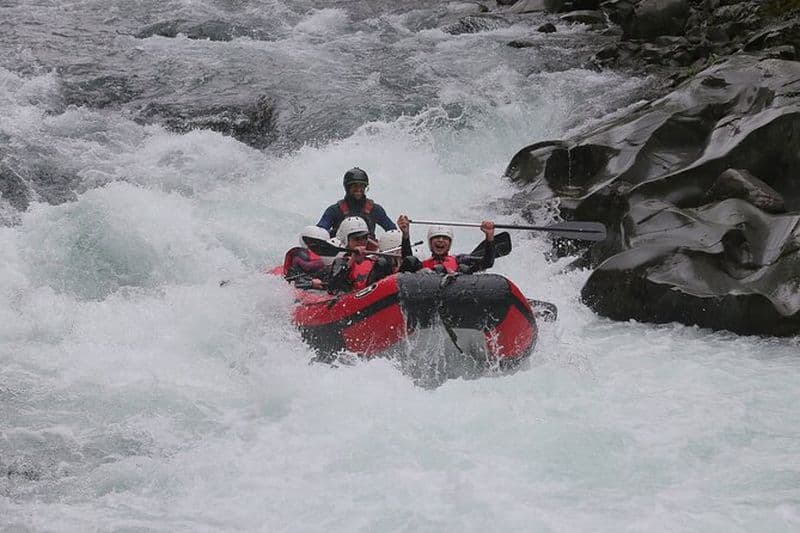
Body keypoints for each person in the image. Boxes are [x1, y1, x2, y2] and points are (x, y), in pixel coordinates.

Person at [397, 214, 495, 274]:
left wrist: (489, 237)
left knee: (463, 268)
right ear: (430, 243)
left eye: (444, 238)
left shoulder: (460, 260)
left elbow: (487, 263)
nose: (440, 240)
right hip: (427, 296)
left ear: (450, 243)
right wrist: (406, 234)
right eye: (436, 237)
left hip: (456, 296)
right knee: (411, 260)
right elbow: (407, 260)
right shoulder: (423, 265)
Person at [316, 167, 397, 238]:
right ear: (347, 187)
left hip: (368, 253)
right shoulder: (334, 210)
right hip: (341, 252)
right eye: (355, 186)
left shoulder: (375, 210)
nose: (359, 189)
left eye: (362, 186)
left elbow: (392, 231)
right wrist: (334, 233)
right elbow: (320, 232)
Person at [326, 217, 394, 293]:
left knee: (383, 262)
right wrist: (352, 259)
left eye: (364, 238)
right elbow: (332, 288)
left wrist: (405, 236)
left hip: (372, 296)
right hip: (350, 299)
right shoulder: (341, 262)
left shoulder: (375, 262)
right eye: (356, 239)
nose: (361, 242)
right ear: (347, 241)